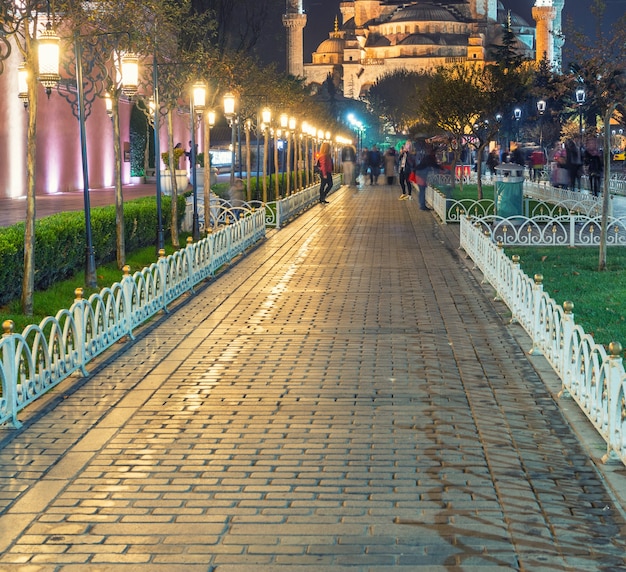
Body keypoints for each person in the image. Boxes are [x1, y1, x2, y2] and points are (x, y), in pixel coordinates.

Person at [413, 146, 440, 210]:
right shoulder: (430, 157)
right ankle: (422, 205)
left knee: (422, 189)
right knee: (422, 189)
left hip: (419, 173)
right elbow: (434, 165)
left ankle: (422, 204)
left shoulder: (428, 157)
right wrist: (441, 168)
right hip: (421, 174)